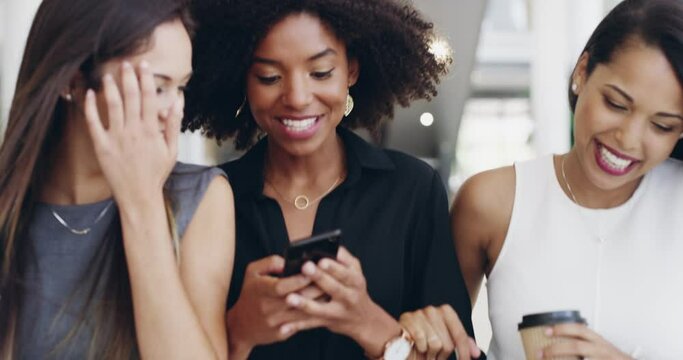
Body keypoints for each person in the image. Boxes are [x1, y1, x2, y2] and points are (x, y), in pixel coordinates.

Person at [184, 0, 478, 359]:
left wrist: (367, 322)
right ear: (243, 80)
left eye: (321, 72)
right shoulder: (211, 202)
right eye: (269, 77)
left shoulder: (411, 190)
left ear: (351, 70)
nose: (297, 97)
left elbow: (461, 353)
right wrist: (240, 330)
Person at [401, 0, 683, 358]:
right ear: (582, 72)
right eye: (616, 104)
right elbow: (438, 349)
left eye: (662, 125)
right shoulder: (492, 202)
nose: (628, 139)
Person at [0, 0, 235, 358]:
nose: (175, 110)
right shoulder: (11, 208)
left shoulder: (202, 198)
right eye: (157, 87)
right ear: (74, 82)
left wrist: (141, 200)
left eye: (181, 87)